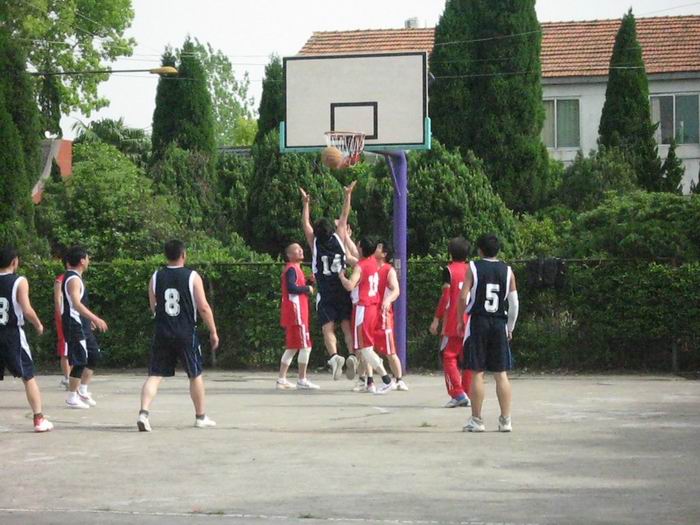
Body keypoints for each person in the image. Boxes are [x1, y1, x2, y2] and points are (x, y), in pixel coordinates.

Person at [137, 240, 219, 432]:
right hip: (185, 332)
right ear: (183, 255)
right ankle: (200, 417)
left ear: (165, 255)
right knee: (195, 374)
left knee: (155, 375)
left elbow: (153, 306)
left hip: (162, 331)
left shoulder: (156, 276)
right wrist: (213, 331)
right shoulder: (192, 276)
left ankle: (143, 413)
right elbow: (203, 307)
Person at [457, 234, 519, 433]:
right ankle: (506, 420)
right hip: (499, 322)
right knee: (501, 373)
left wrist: (460, 320)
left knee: (477, 371)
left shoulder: (473, 267)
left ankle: (477, 420)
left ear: (480, 250)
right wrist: (510, 327)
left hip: (478, 321)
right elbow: (514, 304)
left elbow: (463, 296)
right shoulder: (508, 270)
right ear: (498, 250)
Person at [300, 182, 359, 381]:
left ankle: (334, 357)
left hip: (325, 291)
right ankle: (352, 355)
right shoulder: (340, 237)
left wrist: (306, 204)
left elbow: (305, 224)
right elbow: (344, 215)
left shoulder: (315, 242)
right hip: (342, 289)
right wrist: (347, 195)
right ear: (332, 229)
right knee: (346, 325)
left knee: (328, 328)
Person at [0, 246, 53, 432]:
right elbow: (27, 308)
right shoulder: (19, 281)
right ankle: (38, 419)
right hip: (12, 334)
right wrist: (38, 324)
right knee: (28, 376)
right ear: (14, 261)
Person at [339, 237, 393, 395]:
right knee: (365, 348)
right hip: (373, 307)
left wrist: (342, 277)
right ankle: (370, 381)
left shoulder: (360, 266)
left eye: (358, 245)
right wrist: (345, 238)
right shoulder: (373, 262)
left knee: (365, 348)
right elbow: (351, 255)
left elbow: (350, 285)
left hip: (363, 308)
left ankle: (386, 379)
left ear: (361, 248)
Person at [62, 246, 108, 409]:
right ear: (82, 261)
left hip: (82, 323)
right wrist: (95, 317)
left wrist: (88, 320)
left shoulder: (77, 277)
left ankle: (82, 390)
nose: (89, 261)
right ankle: (72, 397)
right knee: (80, 360)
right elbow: (76, 303)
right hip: (74, 324)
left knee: (93, 355)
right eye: (88, 258)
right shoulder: (73, 279)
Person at [430, 237, 473, 408]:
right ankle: (467, 392)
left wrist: (436, 319)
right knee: (468, 358)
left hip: (454, 320)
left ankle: (458, 393)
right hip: (470, 319)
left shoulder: (449, 271)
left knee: (448, 356)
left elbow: (446, 298)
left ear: (450, 253)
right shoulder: (472, 269)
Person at [278, 242, 319, 390]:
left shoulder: (295, 269)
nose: (301, 251)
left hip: (295, 313)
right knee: (306, 346)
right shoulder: (291, 269)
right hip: (297, 313)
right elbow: (291, 288)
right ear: (289, 255)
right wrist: (307, 288)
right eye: (297, 250)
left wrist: (309, 282)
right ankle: (302, 379)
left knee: (293, 347)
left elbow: (295, 285)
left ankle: (282, 379)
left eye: (301, 249)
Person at [373, 241, 408, 391]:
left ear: (384, 254)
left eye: (379, 247)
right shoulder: (368, 266)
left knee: (390, 350)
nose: (376, 248)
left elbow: (396, 290)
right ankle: (367, 380)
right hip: (370, 312)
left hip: (383, 314)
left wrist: (387, 300)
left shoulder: (389, 270)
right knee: (366, 349)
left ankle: (399, 379)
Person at [54, 255, 70, 388]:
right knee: (65, 349)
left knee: (73, 347)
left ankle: (71, 377)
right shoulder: (60, 280)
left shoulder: (75, 279)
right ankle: (67, 378)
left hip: (73, 318)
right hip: (64, 317)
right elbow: (57, 300)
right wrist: (61, 316)